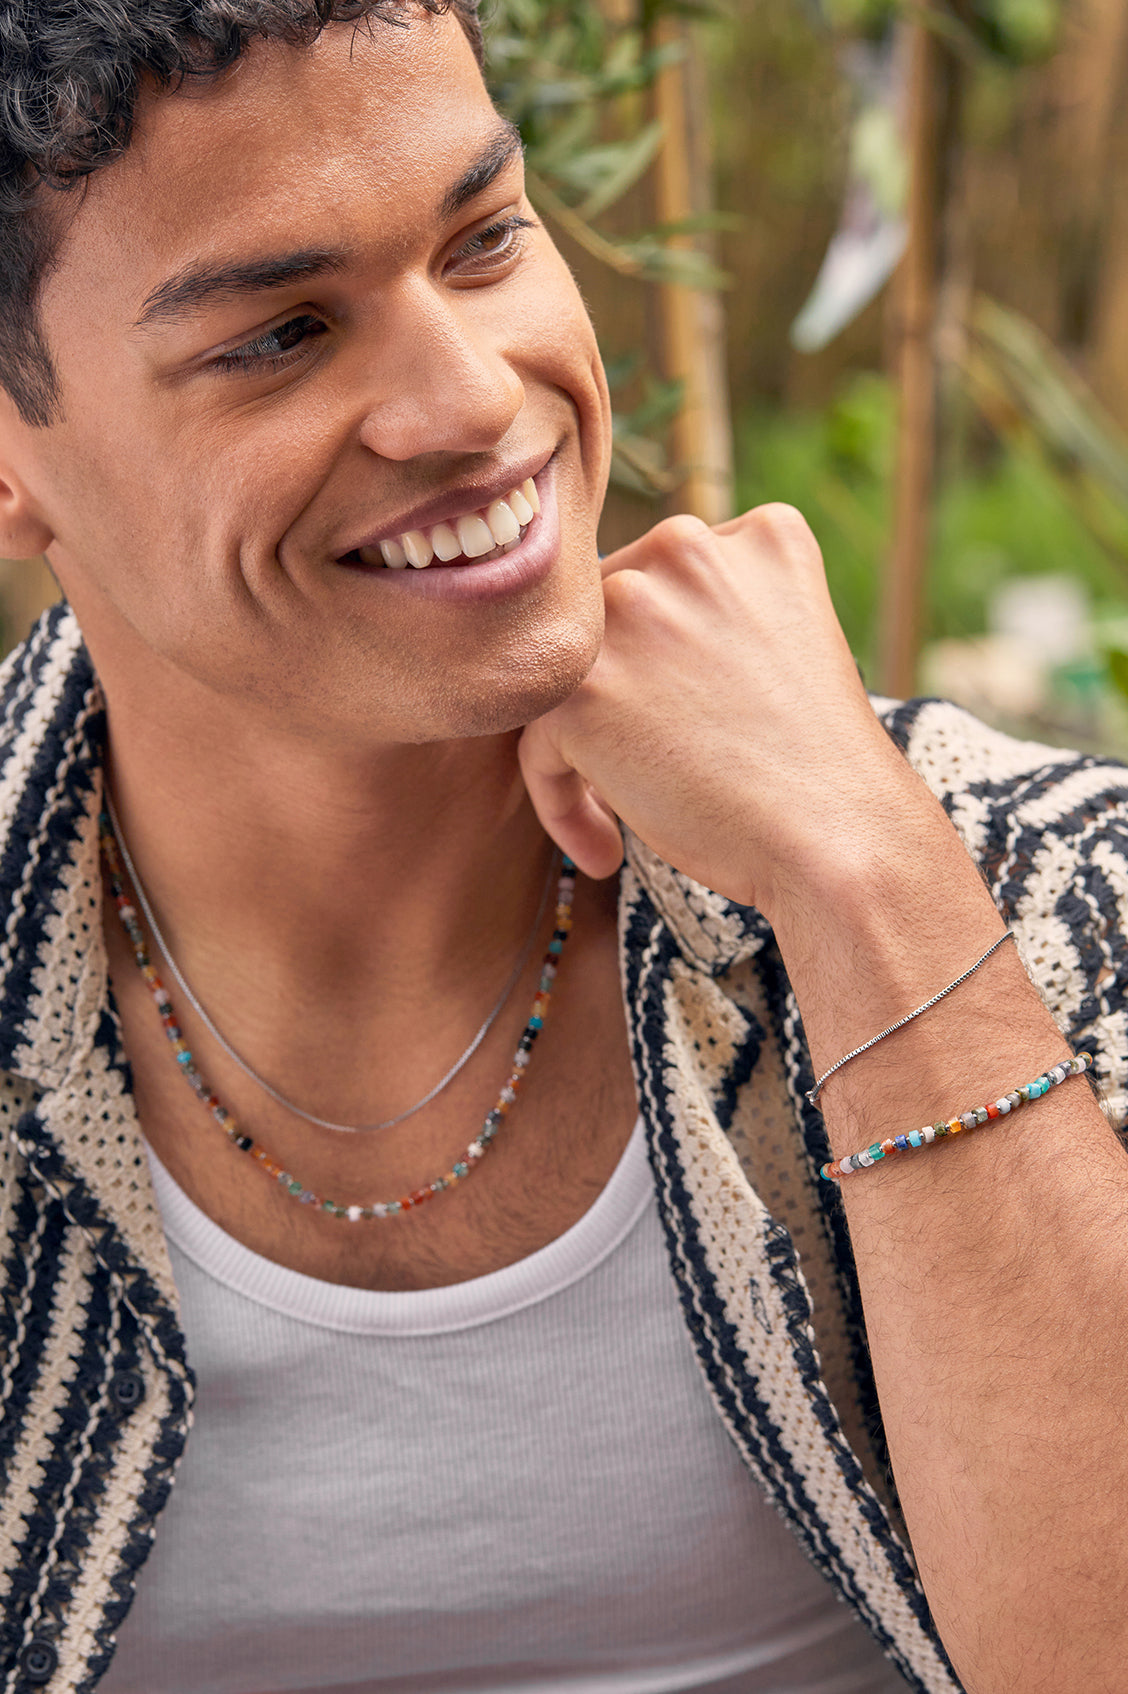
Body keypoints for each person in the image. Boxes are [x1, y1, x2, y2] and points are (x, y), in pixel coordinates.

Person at [0, 3, 1125, 1691]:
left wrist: (866, 877)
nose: (473, 399)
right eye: (283, 334)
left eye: (485, 239)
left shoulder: (1039, 885)